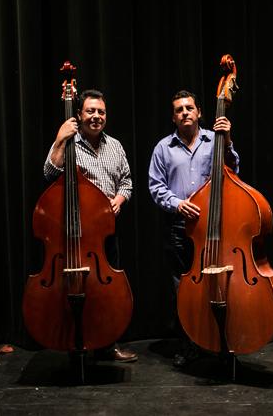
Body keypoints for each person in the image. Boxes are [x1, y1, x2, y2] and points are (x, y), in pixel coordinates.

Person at [43, 88, 137, 363]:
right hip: (73, 234)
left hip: (105, 233)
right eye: (90, 111)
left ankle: (107, 344)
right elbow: (50, 173)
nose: (96, 116)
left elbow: (127, 182)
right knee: (73, 290)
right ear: (79, 115)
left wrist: (120, 199)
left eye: (101, 112)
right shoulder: (68, 142)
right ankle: (74, 342)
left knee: (105, 292)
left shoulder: (115, 146)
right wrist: (61, 139)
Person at [148, 90, 239, 368]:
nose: (185, 112)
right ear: (173, 117)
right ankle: (189, 344)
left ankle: (222, 339)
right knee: (183, 289)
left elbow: (233, 171)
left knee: (220, 284)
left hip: (213, 229)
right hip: (178, 228)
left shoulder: (216, 140)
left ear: (199, 112)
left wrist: (229, 140)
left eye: (189, 108)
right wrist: (177, 204)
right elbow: (156, 186)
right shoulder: (163, 148)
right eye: (179, 109)